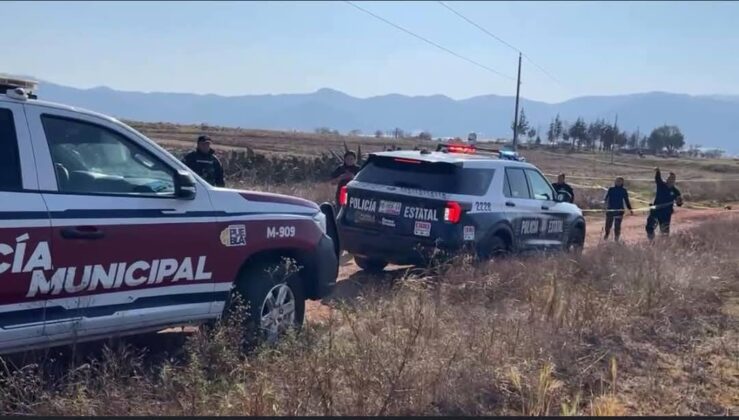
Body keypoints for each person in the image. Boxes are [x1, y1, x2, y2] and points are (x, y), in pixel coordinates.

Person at [645, 167, 683, 240]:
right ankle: (651, 241)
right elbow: (657, 179)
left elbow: (679, 203)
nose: (670, 180)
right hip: (655, 210)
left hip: (666, 213)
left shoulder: (676, 191)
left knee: (664, 231)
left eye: (672, 179)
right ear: (667, 179)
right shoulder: (661, 185)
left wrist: (679, 202)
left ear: (674, 180)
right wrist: (658, 171)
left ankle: (663, 246)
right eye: (669, 178)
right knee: (649, 227)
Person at [603, 177, 634, 241]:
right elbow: (606, 198)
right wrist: (604, 204)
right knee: (608, 225)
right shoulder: (611, 189)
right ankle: (606, 236)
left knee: (617, 226)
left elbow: (626, 200)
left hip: (619, 210)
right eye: (617, 181)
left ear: (622, 182)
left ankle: (616, 239)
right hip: (610, 209)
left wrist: (630, 209)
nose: (618, 182)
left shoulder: (623, 190)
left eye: (619, 181)